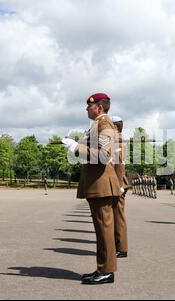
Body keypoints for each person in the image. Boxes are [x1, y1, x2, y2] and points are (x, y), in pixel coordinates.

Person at [62, 92, 120, 284]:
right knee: (101, 229)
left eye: (89, 106)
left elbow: (103, 155)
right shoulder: (97, 125)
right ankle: (102, 269)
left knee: (104, 229)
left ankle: (106, 271)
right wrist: (78, 144)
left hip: (102, 183)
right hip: (98, 183)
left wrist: (76, 148)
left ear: (99, 108)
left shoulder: (104, 124)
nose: (87, 109)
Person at [111, 115, 129, 259]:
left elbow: (119, 166)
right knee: (117, 216)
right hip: (117, 183)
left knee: (118, 217)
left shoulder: (118, 141)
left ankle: (121, 248)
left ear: (115, 127)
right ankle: (119, 246)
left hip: (118, 184)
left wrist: (118, 185)